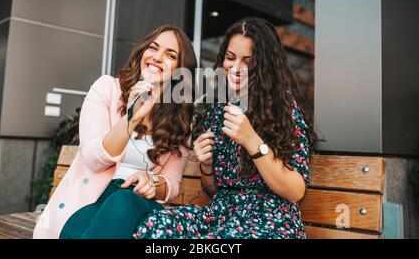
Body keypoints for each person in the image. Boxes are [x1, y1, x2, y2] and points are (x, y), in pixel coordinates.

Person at [134, 17, 316, 239]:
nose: (236, 68)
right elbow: (213, 189)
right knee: (157, 225)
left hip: (269, 217)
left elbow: (296, 191)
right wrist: (207, 165)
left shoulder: (284, 108)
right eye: (230, 58)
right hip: (222, 212)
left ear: (264, 66)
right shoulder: (218, 108)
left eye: (248, 62)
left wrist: (252, 141)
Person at [33, 24, 197, 239]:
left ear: (179, 69)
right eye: (153, 48)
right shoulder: (107, 89)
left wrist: (153, 183)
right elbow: (94, 159)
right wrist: (131, 119)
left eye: (170, 55)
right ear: (142, 52)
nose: (157, 57)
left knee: (123, 200)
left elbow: (171, 183)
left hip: (139, 206)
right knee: (78, 229)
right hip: (93, 202)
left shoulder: (179, 119)